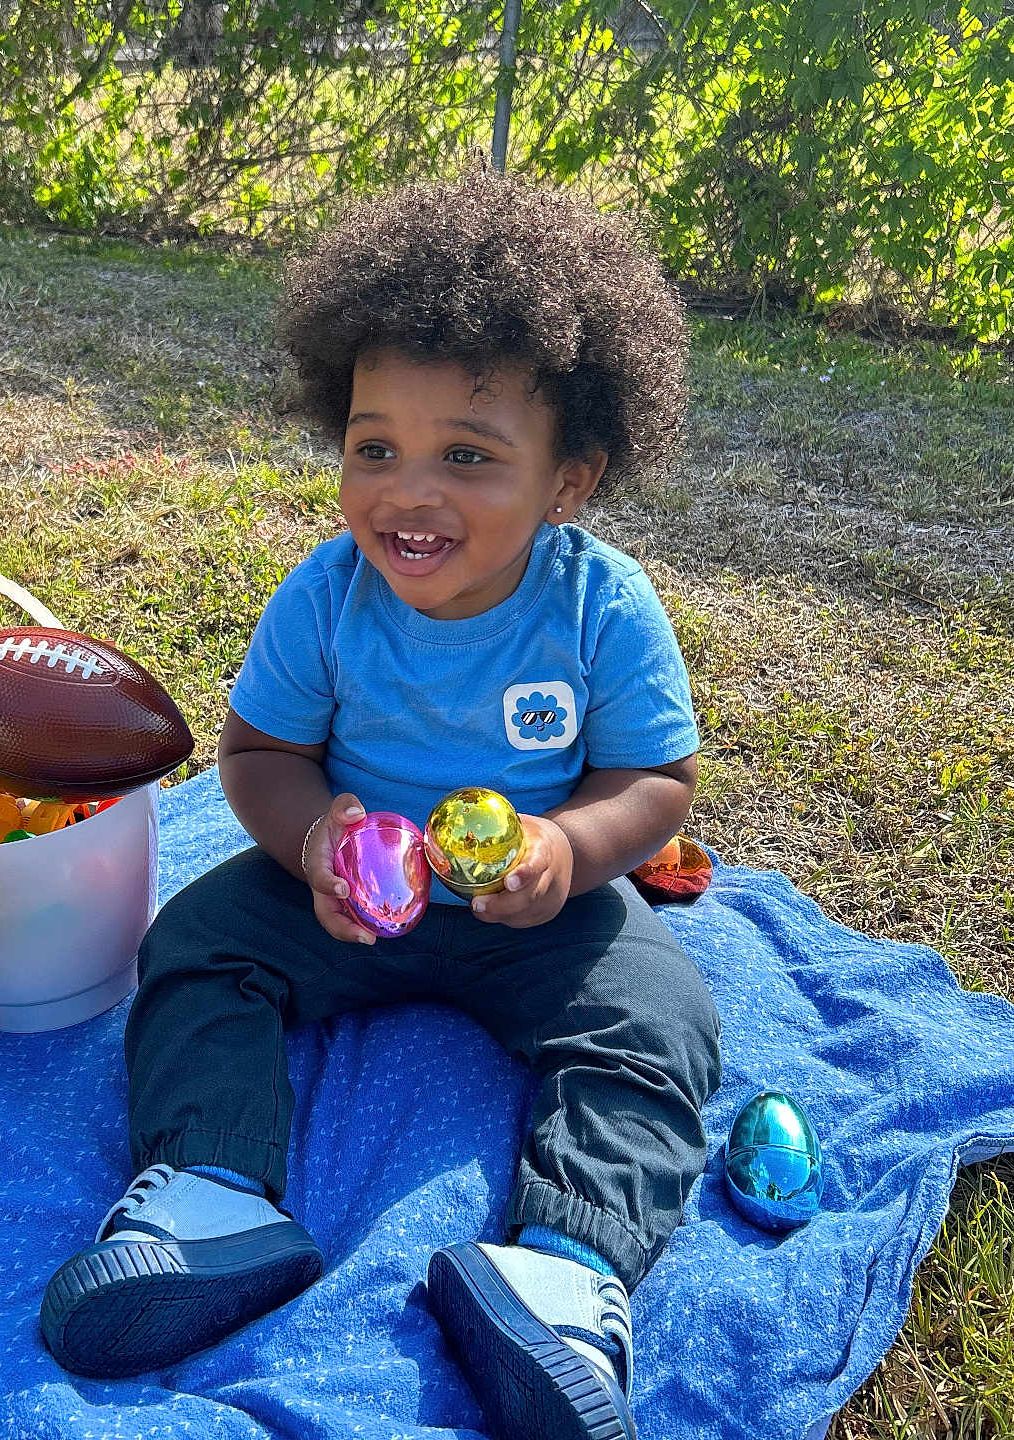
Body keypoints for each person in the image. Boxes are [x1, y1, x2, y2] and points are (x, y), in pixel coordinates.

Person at [41, 159, 722, 1440]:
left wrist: (568, 851)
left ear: (568, 481)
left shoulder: (600, 607)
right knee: (194, 943)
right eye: (375, 448)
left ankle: (564, 1274)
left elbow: (657, 783)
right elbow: (255, 753)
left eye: (467, 455)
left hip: (538, 912)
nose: (409, 492)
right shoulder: (327, 594)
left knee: (661, 1011)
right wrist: (313, 841)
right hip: (344, 899)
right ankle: (211, 1198)